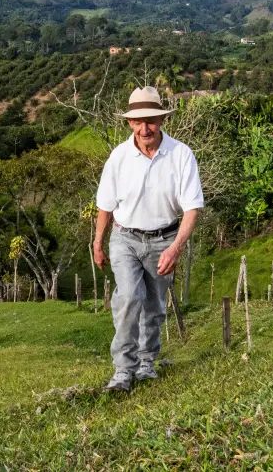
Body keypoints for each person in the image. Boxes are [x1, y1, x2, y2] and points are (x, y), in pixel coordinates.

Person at [94, 86, 204, 392]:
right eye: (139, 121)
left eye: (151, 120)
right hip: (125, 238)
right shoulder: (118, 157)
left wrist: (176, 247)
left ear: (162, 120)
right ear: (129, 123)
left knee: (154, 306)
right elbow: (105, 205)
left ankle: (146, 363)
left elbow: (192, 207)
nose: (145, 128)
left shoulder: (181, 155)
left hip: (164, 239)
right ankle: (122, 370)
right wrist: (98, 243)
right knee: (129, 297)